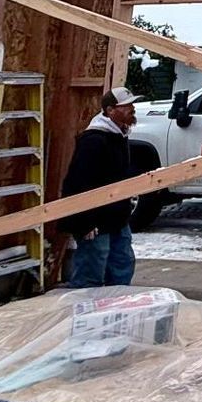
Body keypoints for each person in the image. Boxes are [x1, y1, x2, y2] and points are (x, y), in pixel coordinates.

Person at [58, 87, 143, 289]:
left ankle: (116, 309)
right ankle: (83, 313)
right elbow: (78, 182)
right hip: (94, 220)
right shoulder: (94, 141)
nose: (132, 109)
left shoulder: (119, 135)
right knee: (91, 270)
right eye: (126, 106)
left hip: (116, 215)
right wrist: (84, 222)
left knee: (122, 264)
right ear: (110, 110)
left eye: (132, 105)